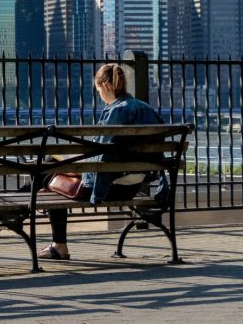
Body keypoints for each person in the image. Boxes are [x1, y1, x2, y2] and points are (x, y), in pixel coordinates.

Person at [38, 63, 167, 260]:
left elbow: (102, 159)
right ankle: (53, 240)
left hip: (106, 188)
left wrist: (76, 168)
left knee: (47, 167)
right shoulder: (146, 109)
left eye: (98, 90)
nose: (99, 95)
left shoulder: (115, 112)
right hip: (132, 187)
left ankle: (52, 239)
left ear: (106, 86)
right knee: (50, 170)